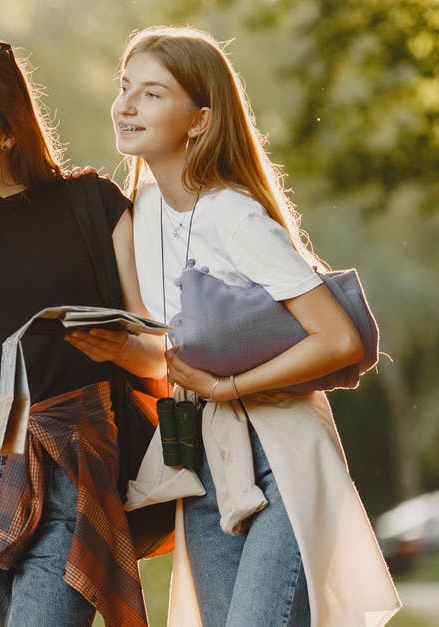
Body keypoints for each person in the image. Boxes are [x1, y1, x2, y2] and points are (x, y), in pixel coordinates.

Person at [111, 25, 401, 626]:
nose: (127, 105)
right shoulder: (138, 216)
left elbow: (339, 339)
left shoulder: (233, 214)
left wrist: (229, 388)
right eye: (124, 87)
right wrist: (109, 346)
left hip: (279, 456)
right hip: (202, 465)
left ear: (199, 120)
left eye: (153, 93)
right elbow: (162, 355)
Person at [0, 34, 164, 627]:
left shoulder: (91, 204)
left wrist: (122, 346)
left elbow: (158, 353)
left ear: (8, 130)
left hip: (69, 464)